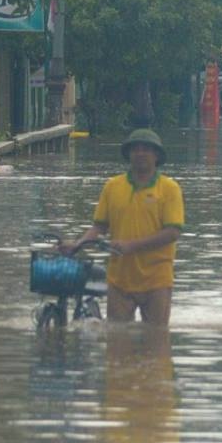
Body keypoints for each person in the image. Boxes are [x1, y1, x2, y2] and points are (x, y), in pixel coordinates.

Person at [59, 128, 185, 326]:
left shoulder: (169, 189)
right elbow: (99, 226)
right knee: (117, 344)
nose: (140, 153)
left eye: (146, 149)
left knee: (156, 342)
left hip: (157, 278)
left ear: (157, 155)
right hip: (120, 278)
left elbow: (173, 232)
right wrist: (78, 244)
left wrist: (131, 246)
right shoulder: (113, 186)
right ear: (128, 154)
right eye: (135, 149)